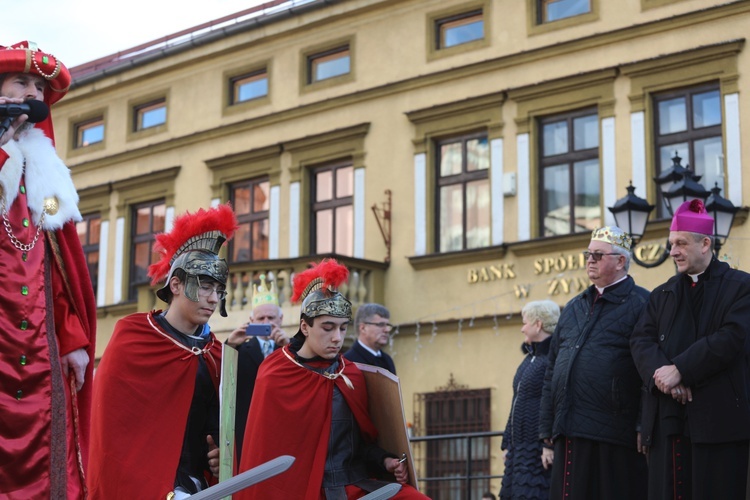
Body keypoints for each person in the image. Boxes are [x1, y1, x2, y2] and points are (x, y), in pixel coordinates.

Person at [236, 259, 429, 499]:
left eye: (342, 327)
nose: (337, 338)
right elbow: (264, 448)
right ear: (305, 327)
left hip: (353, 485)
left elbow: (358, 446)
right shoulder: (277, 371)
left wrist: (385, 460)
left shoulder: (350, 373)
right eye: (328, 328)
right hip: (300, 490)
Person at [87, 204, 238, 499]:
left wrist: (223, 457)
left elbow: (219, 431)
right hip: (139, 487)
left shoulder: (217, 354)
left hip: (198, 487)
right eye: (205, 285)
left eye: (218, 289)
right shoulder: (133, 337)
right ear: (177, 284)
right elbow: (112, 433)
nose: (212, 297)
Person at [0, 41, 97, 498]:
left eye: (37, 86)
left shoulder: (48, 180)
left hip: (39, 348)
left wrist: (73, 337)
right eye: (21, 82)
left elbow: (58, 262)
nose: (30, 93)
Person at [630, 199, 750, 499]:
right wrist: (664, 377)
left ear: (705, 243)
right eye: (672, 244)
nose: (673, 252)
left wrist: (681, 369)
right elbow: (640, 341)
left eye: (681, 243)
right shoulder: (662, 294)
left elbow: (732, 337)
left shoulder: (741, 286)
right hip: (668, 421)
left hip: (719, 422)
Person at [539, 226, 648, 500]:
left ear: (621, 261)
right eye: (588, 254)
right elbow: (552, 368)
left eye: (598, 255)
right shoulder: (574, 306)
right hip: (568, 428)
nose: (590, 260)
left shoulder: (643, 304)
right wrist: (546, 428)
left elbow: (649, 371)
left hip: (613, 433)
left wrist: (642, 424)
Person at [226, 274, 290, 461]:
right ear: (251, 320)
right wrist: (230, 345)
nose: (266, 323)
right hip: (248, 427)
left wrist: (288, 348)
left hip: (282, 426)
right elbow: (221, 378)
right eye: (260, 318)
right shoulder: (238, 348)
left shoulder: (292, 348)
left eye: (271, 317)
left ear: (281, 318)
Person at [500, 300, 559, 500]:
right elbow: (516, 401)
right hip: (519, 451)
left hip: (537, 452)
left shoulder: (552, 358)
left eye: (525, 323)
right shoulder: (529, 358)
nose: (522, 328)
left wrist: (547, 444)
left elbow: (552, 403)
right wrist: (507, 442)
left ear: (538, 324)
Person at [344, 302, 397, 374]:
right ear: (363, 328)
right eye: (381, 324)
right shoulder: (347, 362)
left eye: (387, 325)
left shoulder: (387, 360)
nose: (387, 330)